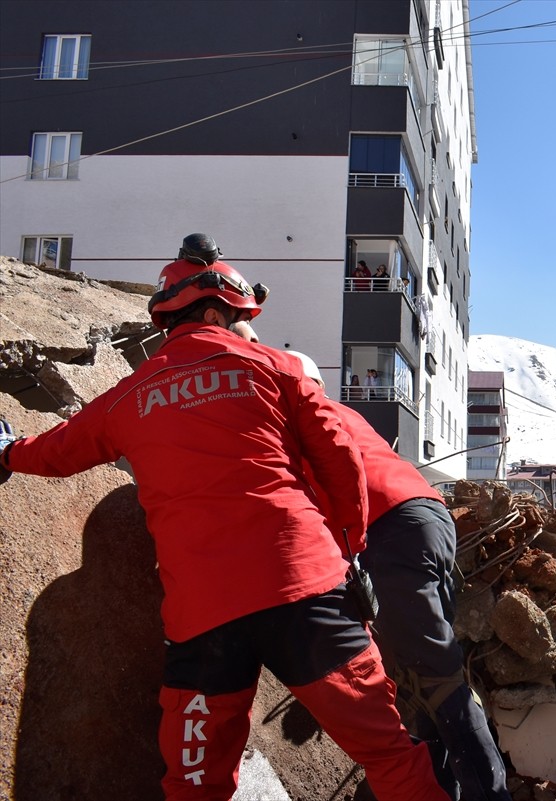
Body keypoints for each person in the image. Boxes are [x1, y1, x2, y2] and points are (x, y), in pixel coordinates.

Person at [0, 234, 448, 801]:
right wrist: (350, 546)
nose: (248, 330)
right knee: (389, 755)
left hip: (203, 619)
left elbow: (58, 451)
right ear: (215, 311)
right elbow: (338, 459)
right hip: (305, 590)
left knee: (194, 786)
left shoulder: (127, 396)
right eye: (242, 318)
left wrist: (8, 453)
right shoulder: (277, 367)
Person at [230, 339, 512, 801]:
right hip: (428, 519)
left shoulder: (297, 419)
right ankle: (446, 790)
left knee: (436, 680)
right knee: (423, 679)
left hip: (388, 531)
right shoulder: (344, 412)